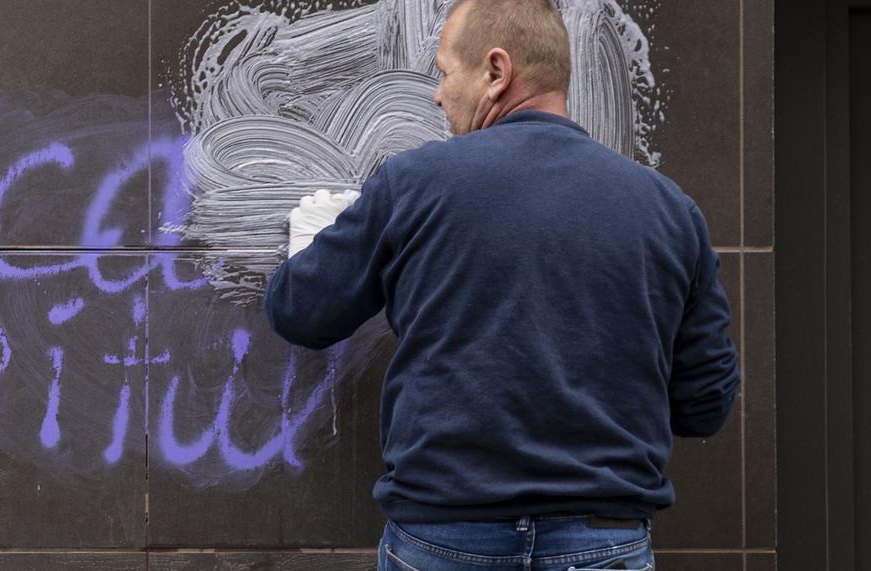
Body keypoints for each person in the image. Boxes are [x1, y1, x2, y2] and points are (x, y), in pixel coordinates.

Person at [262, 0, 740, 569]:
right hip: (603, 541)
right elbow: (705, 406)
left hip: (445, 539)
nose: (438, 94)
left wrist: (312, 241)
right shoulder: (669, 211)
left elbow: (300, 313)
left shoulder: (413, 185)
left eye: (444, 73)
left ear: (495, 71)